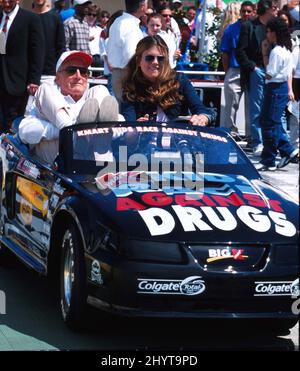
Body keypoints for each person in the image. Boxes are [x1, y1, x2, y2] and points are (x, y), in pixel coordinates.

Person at [18, 51, 121, 164]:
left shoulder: (94, 96)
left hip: (96, 169)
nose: (78, 76)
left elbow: (120, 124)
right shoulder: (49, 97)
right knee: (43, 89)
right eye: (71, 71)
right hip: (57, 173)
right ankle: (69, 129)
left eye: (83, 72)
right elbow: (25, 131)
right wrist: (68, 130)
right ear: (57, 78)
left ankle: (82, 133)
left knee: (101, 89)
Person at [121, 35, 215, 126]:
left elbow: (200, 109)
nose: (155, 62)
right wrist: (136, 126)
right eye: (149, 58)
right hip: (144, 140)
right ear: (138, 61)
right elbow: (128, 122)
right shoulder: (131, 86)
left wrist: (202, 118)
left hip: (176, 140)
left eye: (161, 58)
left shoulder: (179, 80)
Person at [236, 0, 279, 156]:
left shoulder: (275, 27)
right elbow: (240, 51)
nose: (277, 11)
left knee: (273, 108)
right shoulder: (249, 26)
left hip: (273, 72)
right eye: (274, 8)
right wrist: (253, 68)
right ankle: (257, 142)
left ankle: (272, 142)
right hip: (256, 71)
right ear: (266, 10)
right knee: (256, 109)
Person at [255, 18, 298, 171]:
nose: (267, 34)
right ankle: (279, 153)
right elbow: (288, 73)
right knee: (272, 122)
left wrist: (264, 58)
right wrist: (289, 90)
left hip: (274, 88)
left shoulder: (276, 51)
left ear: (274, 32)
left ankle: (274, 156)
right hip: (281, 88)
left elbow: (270, 73)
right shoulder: (286, 50)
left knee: (268, 123)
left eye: (268, 31)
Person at [0, 0, 45, 132]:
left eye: (10, 1)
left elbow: (37, 51)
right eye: (3, 1)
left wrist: (34, 80)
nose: (6, 4)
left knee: (13, 123)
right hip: (1, 79)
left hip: (17, 82)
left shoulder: (30, 19)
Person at [220, 1, 255, 136]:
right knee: (230, 107)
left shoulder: (256, 28)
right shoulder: (231, 29)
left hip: (251, 71)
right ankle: (231, 134)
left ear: (254, 12)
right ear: (240, 12)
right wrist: (227, 71)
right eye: (243, 11)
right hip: (234, 70)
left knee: (252, 106)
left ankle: (251, 136)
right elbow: (225, 53)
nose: (246, 14)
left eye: (249, 11)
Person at [107, 0, 147, 102]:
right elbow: (131, 54)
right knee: (129, 111)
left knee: (121, 110)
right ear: (142, 7)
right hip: (128, 74)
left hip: (118, 73)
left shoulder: (118, 21)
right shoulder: (130, 25)